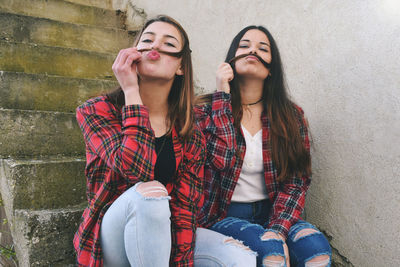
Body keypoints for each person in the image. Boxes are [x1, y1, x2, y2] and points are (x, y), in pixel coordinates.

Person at [73, 15, 255, 267]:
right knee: (150, 194)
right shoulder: (97, 110)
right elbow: (134, 169)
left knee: (240, 258)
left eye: (168, 44)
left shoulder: (188, 130)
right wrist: (130, 91)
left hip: (164, 236)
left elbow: (183, 208)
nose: (155, 47)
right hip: (111, 237)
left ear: (181, 67)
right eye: (147, 40)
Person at [195, 25, 332, 267]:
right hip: (223, 214)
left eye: (263, 48)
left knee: (316, 250)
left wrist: (278, 229)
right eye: (245, 46)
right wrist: (222, 97)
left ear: (271, 69)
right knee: (272, 253)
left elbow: (297, 180)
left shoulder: (290, 116)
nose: (253, 51)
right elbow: (219, 160)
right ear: (231, 60)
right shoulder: (205, 109)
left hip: (274, 211)